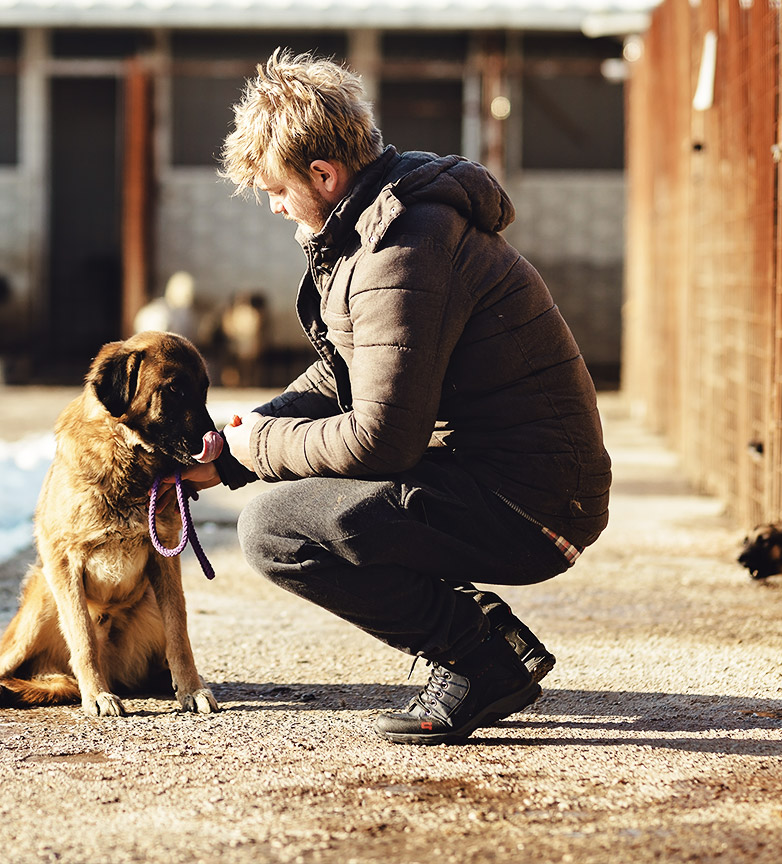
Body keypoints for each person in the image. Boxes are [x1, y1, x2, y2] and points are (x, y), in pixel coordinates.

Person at [179, 50, 611, 744]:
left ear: (325, 174)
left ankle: (479, 660)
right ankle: (484, 641)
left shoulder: (400, 250)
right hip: (511, 485)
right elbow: (343, 376)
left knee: (278, 530)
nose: (274, 204)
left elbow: (381, 437)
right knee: (290, 508)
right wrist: (235, 446)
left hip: (531, 507)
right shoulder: (380, 228)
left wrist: (253, 451)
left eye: (276, 188)